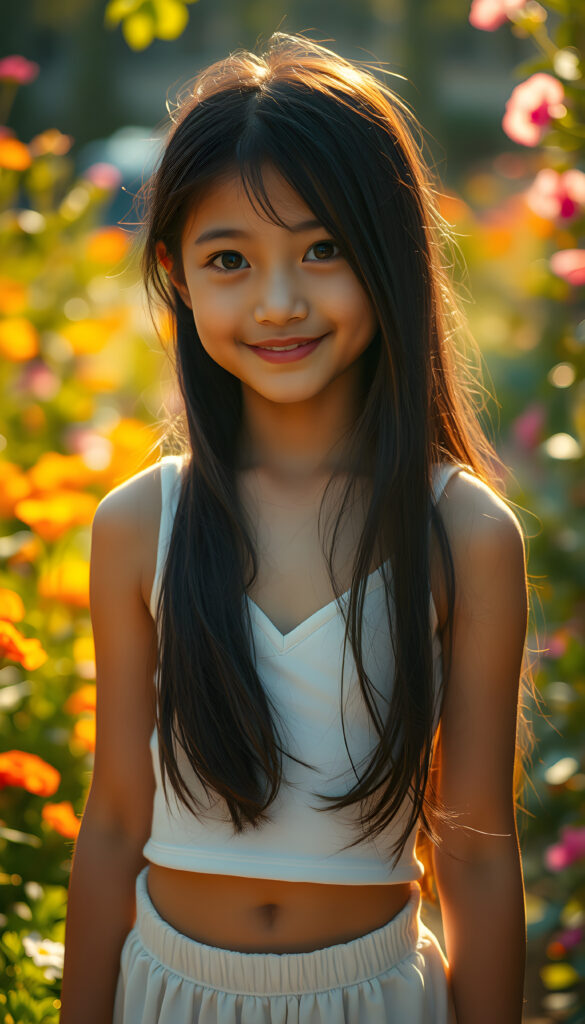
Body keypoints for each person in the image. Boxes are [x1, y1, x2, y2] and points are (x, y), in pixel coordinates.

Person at [60, 31, 533, 1024]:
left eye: (322, 249)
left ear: (391, 252)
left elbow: (478, 847)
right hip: (167, 992)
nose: (279, 301)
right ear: (177, 277)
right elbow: (111, 824)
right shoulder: (142, 522)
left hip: (377, 997)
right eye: (229, 258)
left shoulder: (465, 535)